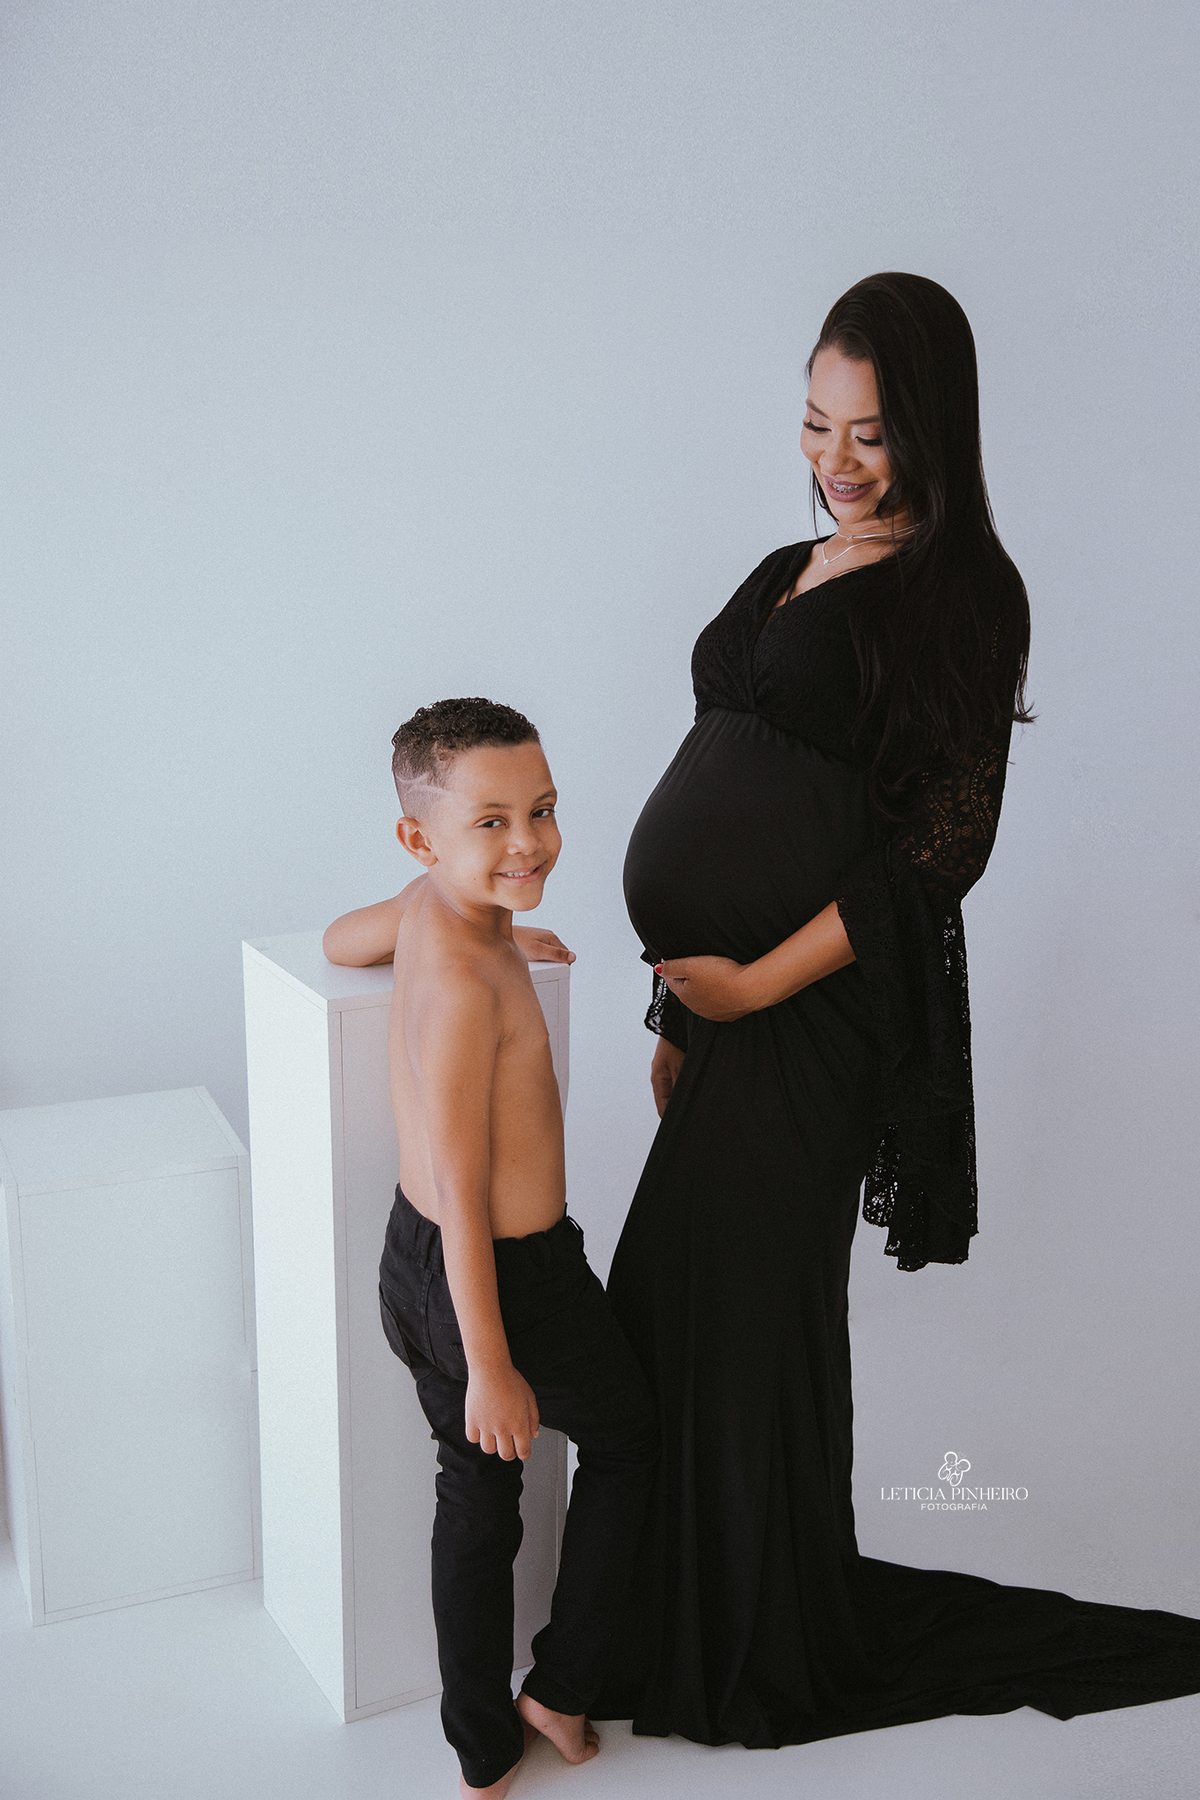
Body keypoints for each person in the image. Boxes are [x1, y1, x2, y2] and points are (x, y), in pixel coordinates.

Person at [597, 272, 1200, 1746]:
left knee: (753, 1319)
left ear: (933, 425)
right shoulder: (787, 564)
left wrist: (752, 984)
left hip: (819, 1014)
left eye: (870, 433)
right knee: (671, 1304)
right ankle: (669, 1621)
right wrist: (682, 1018)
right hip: (726, 1014)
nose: (837, 460)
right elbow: (722, 777)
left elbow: (940, 856)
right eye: (816, 424)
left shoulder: (966, 596)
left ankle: (747, 1651)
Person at [323, 697, 656, 1800]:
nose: (529, 843)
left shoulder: (431, 910)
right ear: (420, 838)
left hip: (409, 1266)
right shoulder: (469, 985)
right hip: (502, 1280)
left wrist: (506, 923)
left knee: (474, 1491)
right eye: (493, 824)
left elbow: (339, 942)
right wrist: (493, 1363)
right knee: (631, 1443)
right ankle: (559, 1688)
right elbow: (466, 1192)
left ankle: (481, 1749)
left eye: (543, 811)